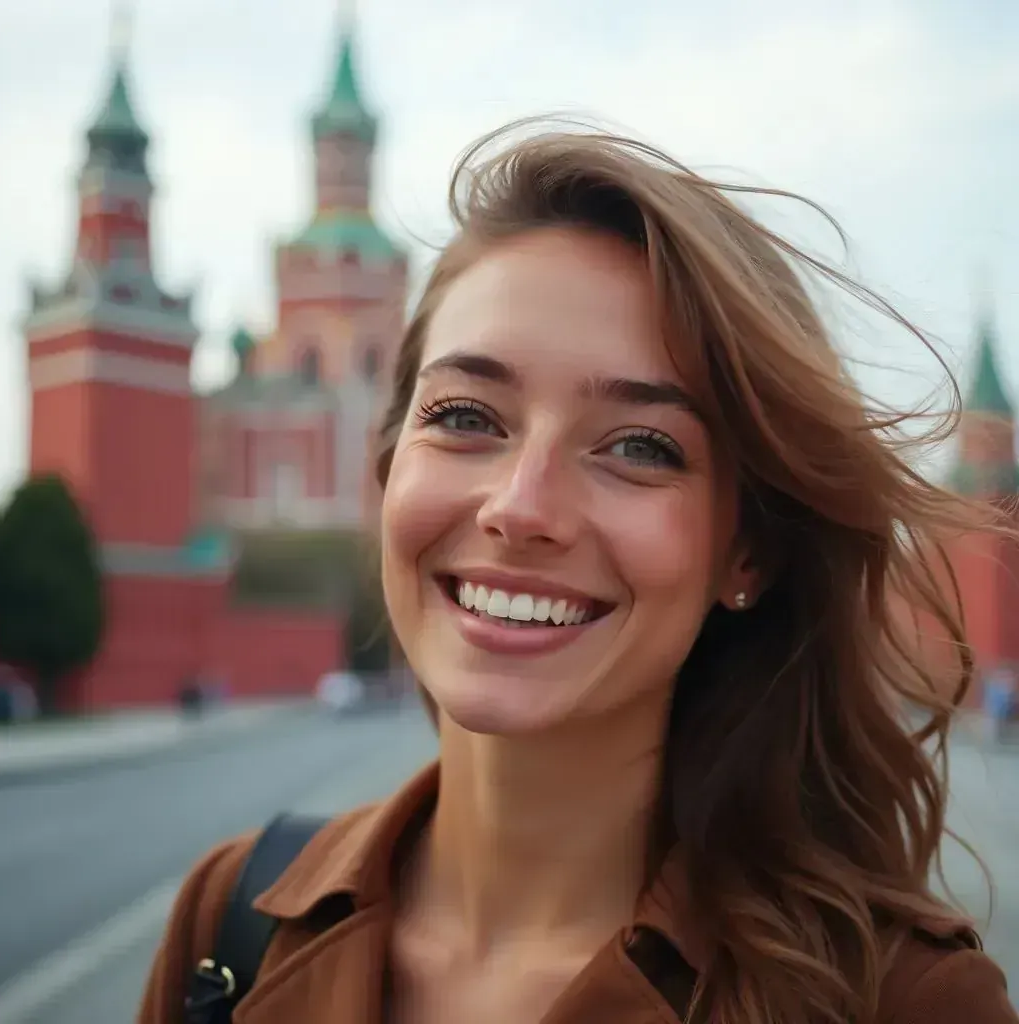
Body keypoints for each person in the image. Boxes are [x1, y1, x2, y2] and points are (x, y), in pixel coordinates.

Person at [139, 122, 1018, 1024]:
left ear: (747, 549)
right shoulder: (231, 923)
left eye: (641, 445)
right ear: (390, 465)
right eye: (468, 415)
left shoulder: (904, 1001)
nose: (520, 508)